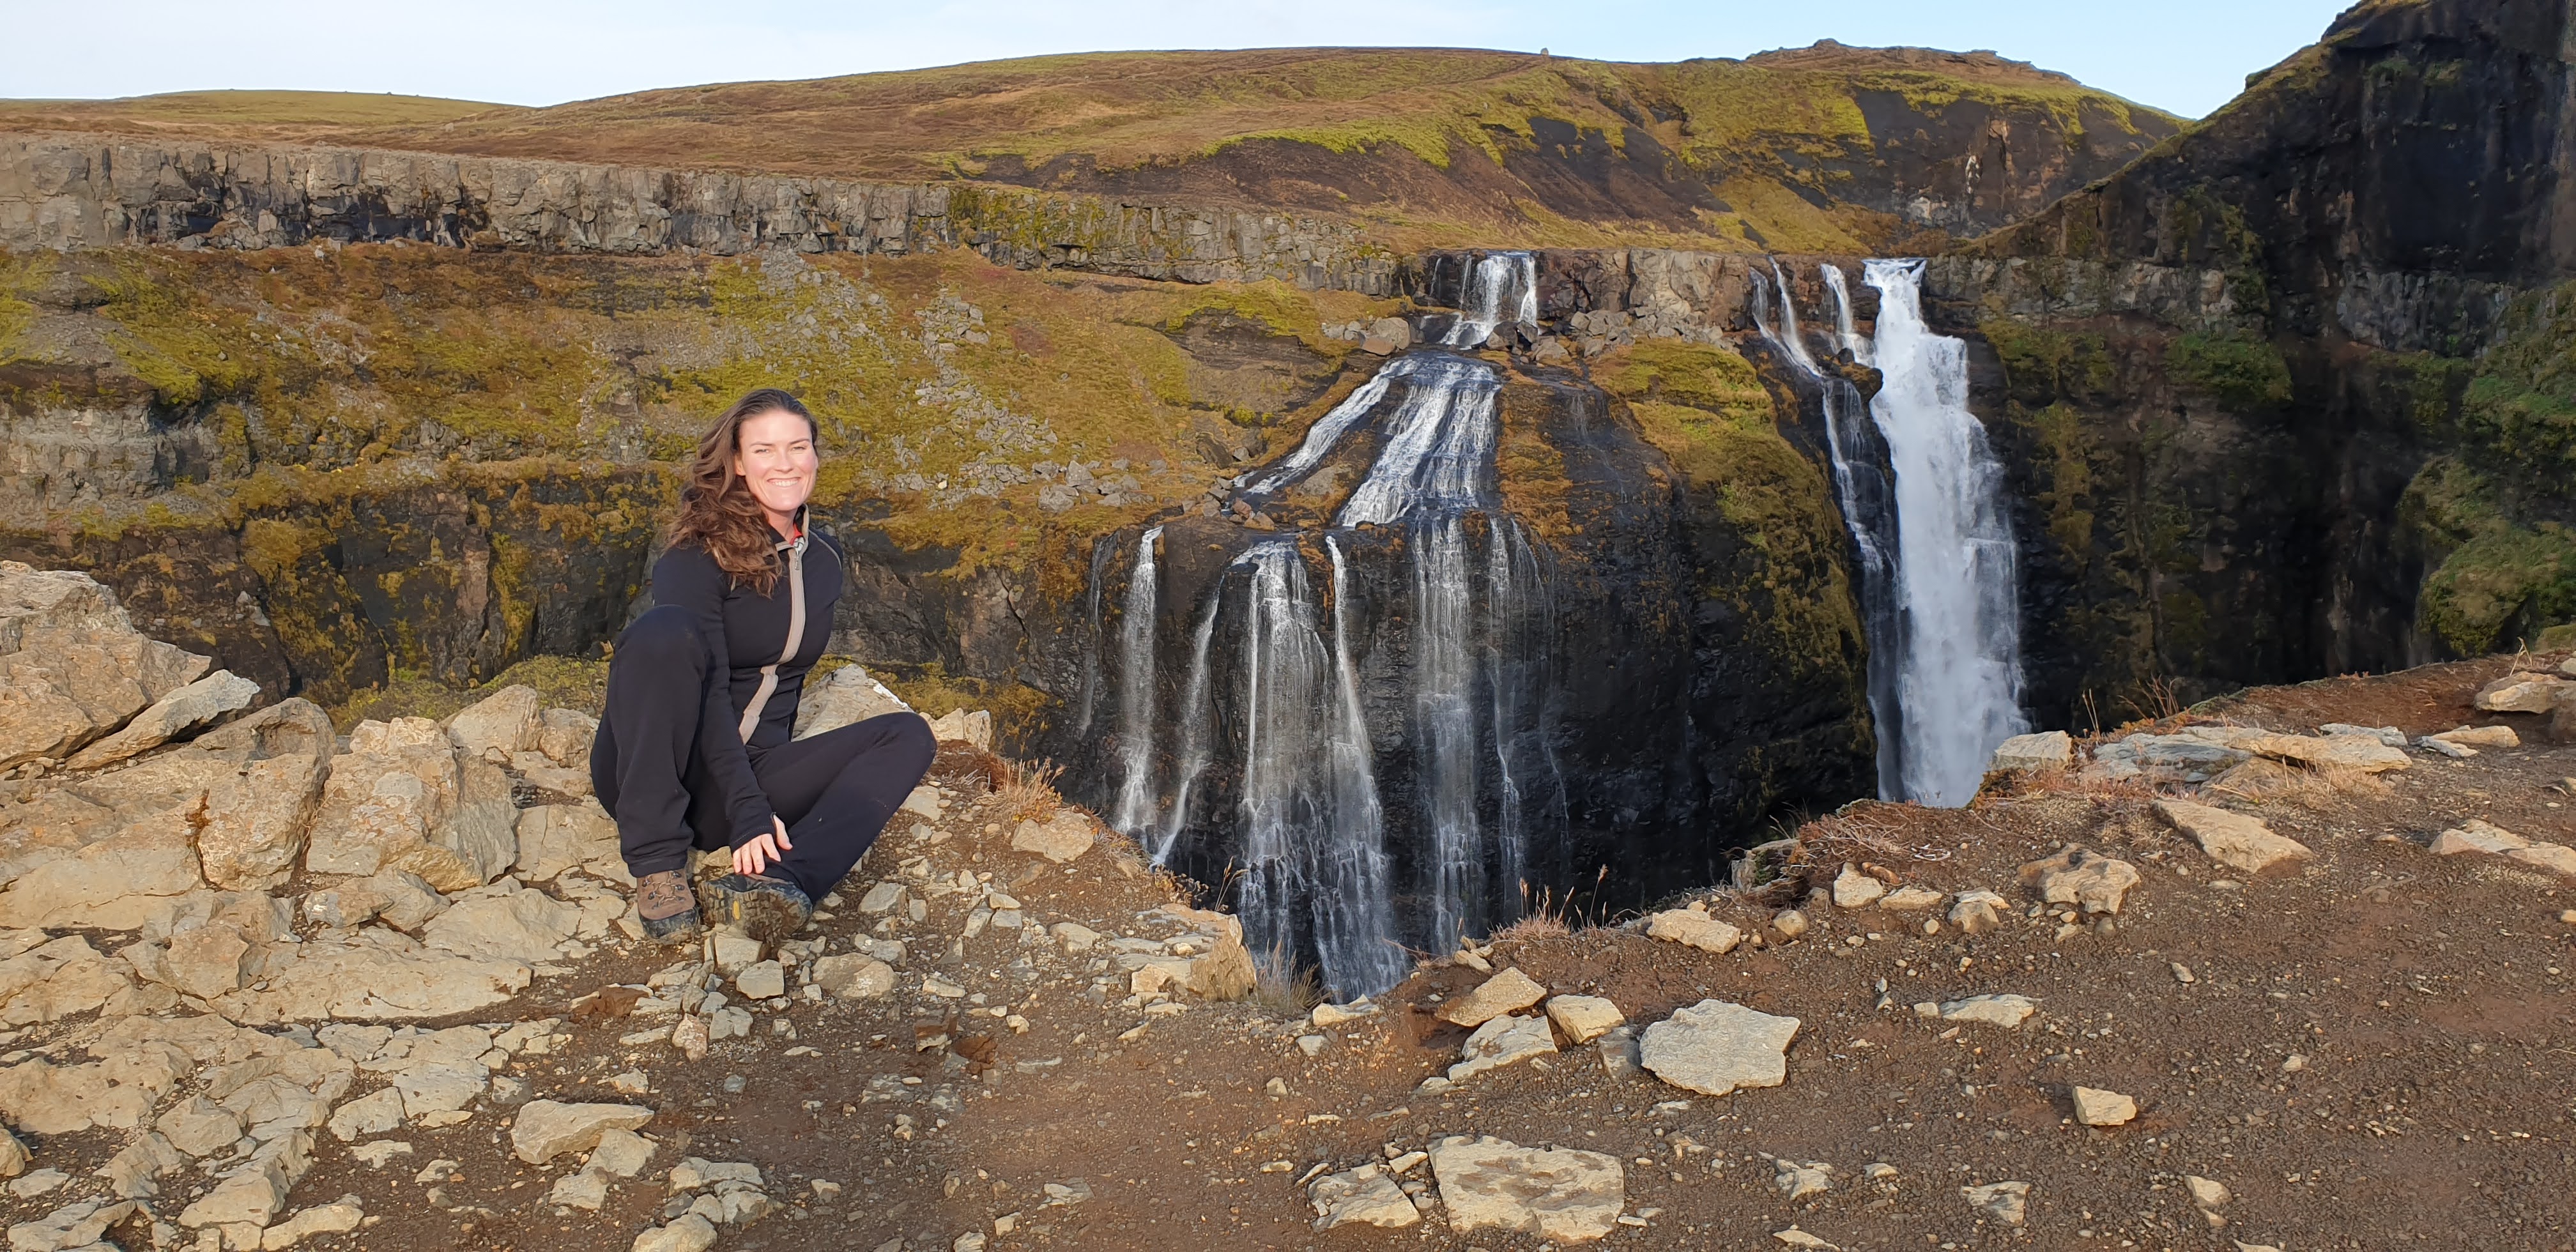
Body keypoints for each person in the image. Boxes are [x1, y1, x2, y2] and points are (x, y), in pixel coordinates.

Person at [590, 388, 937, 944]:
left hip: (752, 774)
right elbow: (703, 694)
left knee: (908, 735)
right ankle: (657, 864)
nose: (785, 464)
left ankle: (783, 885)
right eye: (765, 450)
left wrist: (755, 796)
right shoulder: (696, 555)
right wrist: (748, 809)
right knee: (664, 632)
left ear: (816, 458)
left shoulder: (823, 562)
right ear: (736, 463)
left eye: (798, 448)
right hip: (661, 774)